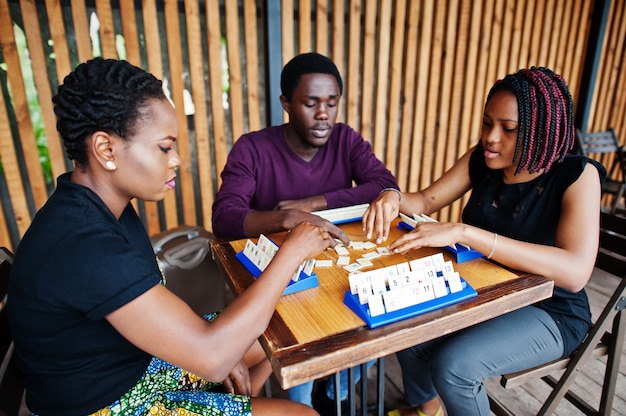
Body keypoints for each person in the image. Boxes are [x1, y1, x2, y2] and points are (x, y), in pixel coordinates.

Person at [7, 58, 329, 416]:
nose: (176, 160)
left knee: (279, 325)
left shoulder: (97, 208)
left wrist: (223, 354)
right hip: (108, 404)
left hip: (130, 364)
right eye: (164, 147)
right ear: (105, 150)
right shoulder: (84, 243)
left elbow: (177, 329)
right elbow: (211, 356)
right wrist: (290, 254)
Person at [362, 67, 606, 416]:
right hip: (487, 292)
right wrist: (390, 195)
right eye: (486, 123)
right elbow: (425, 200)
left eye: (508, 129)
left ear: (541, 133)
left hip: (550, 309)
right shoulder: (483, 159)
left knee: (455, 367)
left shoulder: (577, 176)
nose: (491, 138)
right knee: (407, 327)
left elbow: (576, 272)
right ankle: (427, 409)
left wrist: (465, 233)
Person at [212, 52, 399, 413]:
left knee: (374, 332)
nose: (324, 114)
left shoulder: (346, 139)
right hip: (284, 280)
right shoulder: (252, 148)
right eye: (310, 103)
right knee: (300, 362)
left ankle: (336, 392)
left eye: (331, 103)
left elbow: (382, 183)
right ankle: (306, 397)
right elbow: (225, 218)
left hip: (340, 271)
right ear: (286, 103)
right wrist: (285, 219)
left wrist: (314, 203)